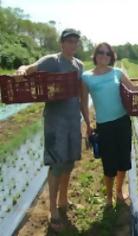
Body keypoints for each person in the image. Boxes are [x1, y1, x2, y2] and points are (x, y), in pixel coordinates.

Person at [16, 28, 84, 232]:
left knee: (70, 162)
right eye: (68, 41)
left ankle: (64, 200)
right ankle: (53, 209)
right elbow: (29, 67)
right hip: (55, 122)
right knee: (56, 164)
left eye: (75, 41)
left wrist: (86, 121)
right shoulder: (52, 61)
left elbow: (80, 94)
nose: (72, 44)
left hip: (73, 120)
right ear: (62, 43)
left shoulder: (78, 65)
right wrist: (21, 70)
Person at [81, 42, 138, 206]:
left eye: (107, 53)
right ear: (95, 55)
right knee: (108, 162)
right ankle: (109, 196)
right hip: (104, 125)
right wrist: (88, 125)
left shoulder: (117, 72)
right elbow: (83, 103)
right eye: (101, 52)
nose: (104, 55)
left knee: (123, 160)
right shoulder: (86, 77)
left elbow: (134, 89)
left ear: (111, 56)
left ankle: (118, 191)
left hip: (122, 121)